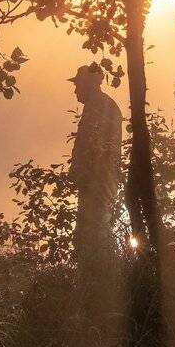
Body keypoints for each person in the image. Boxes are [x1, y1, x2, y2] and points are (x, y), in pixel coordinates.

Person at [68, 63, 124, 275]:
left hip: (98, 181)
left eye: (78, 84)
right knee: (90, 232)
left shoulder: (101, 106)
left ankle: (96, 278)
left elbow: (95, 147)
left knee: (94, 231)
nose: (75, 90)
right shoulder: (100, 105)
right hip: (96, 180)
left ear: (90, 83)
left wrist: (82, 170)